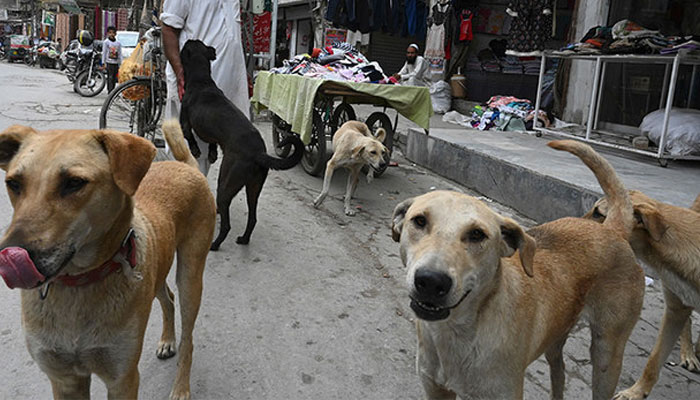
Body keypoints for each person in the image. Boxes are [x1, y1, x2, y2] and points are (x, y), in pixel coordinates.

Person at [161, 0, 249, 176]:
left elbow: (233, 36)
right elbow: (169, 29)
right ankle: (182, 198)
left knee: (211, 147)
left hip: (222, 85)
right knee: (185, 146)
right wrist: (180, 74)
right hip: (193, 83)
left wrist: (242, 74)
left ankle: (196, 195)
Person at [101, 26, 122, 94]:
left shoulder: (118, 43)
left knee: (114, 78)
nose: (111, 34)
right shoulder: (106, 42)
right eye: (110, 33)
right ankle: (109, 91)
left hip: (116, 63)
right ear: (107, 33)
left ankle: (113, 91)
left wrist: (120, 63)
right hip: (109, 62)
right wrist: (103, 62)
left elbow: (119, 53)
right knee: (110, 77)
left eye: (113, 33)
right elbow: (104, 52)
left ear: (115, 34)